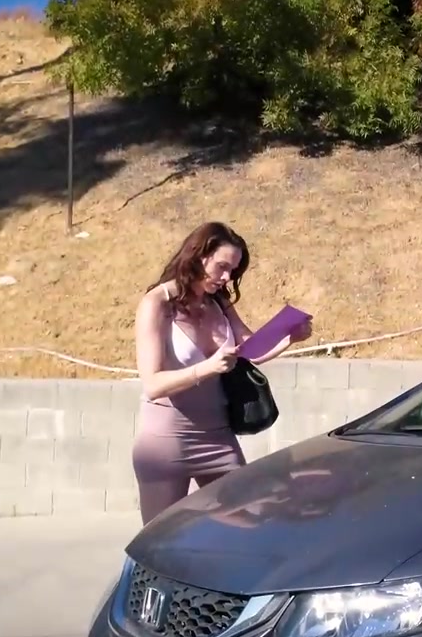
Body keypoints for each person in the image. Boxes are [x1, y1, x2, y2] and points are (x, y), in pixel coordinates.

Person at [131, 221, 312, 524]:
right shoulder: (157, 303)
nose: (227, 277)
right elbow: (152, 384)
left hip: (218, 437)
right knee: (159, 537)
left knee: (249, 523)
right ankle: (194, 515)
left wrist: (289, 338)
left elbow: (250, 350)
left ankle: (199, 514)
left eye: (233, 270)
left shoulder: (219, 300)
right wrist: (208, 367)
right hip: (166, 441)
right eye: (222, 266)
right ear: (198, 255)